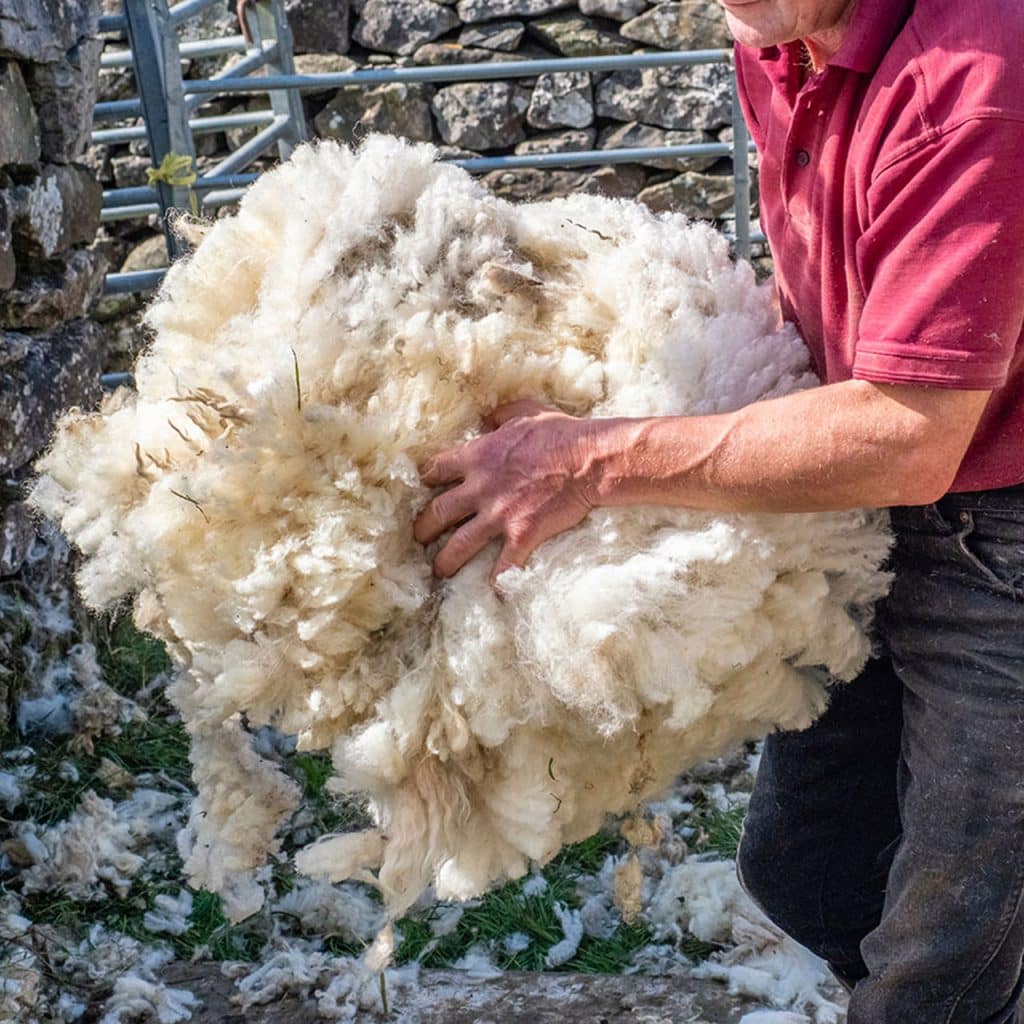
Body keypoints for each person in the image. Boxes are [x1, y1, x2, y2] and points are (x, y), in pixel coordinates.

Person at [413, 0, 1024, 1019]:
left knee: (943, 956)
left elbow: (911, 431)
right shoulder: (777, 34)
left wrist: (593, 460)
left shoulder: (977, 79)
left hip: (999, 525)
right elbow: (837, 285)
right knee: (805, 864)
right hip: (869, 503)